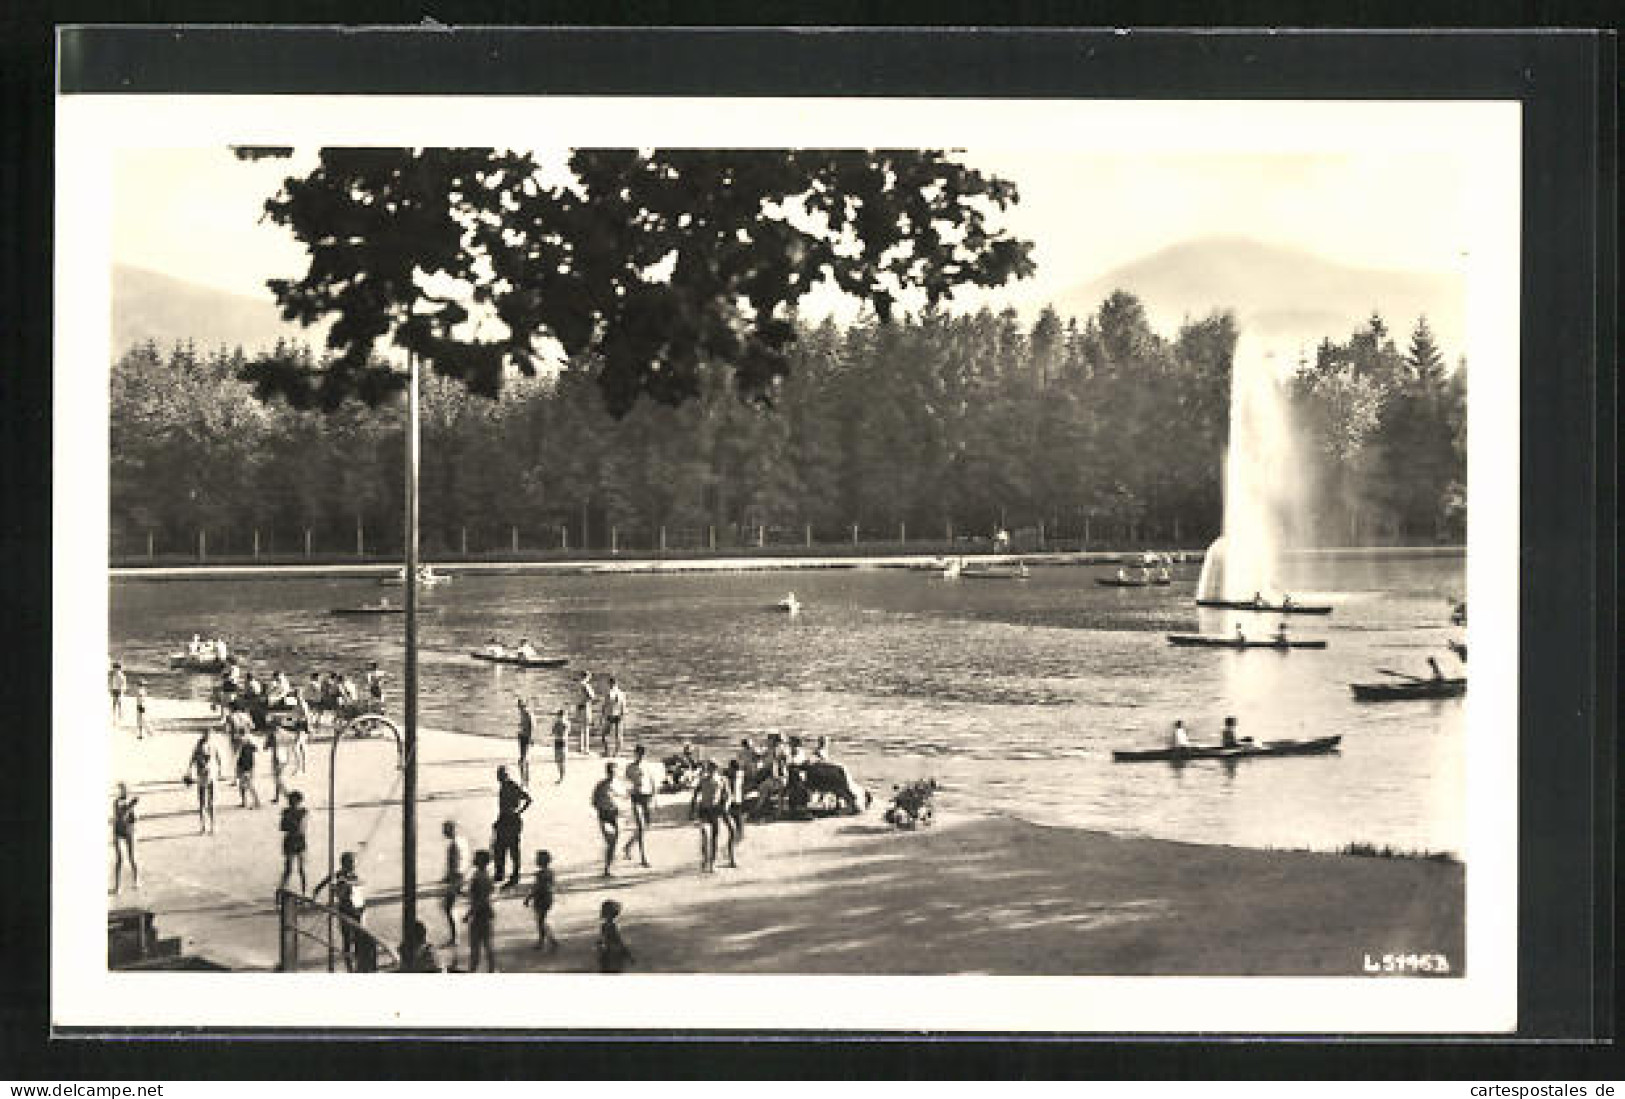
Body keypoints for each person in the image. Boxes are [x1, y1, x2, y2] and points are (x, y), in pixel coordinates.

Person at [315, 851, 367, 972]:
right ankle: (349, 966)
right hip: (345, 910)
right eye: (351, 863)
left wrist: (347, 883)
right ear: (344, 864)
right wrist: (318, 890)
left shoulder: (354, 876)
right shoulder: (339, 875)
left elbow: (360, 882)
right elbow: (327, 881)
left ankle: (357, 964)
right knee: (347, 938)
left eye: (354, 863)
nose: (354, 866)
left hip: (358, 910)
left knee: (359, 938)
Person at [689, 760, 734, 872]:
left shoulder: (722, 780)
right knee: (704, 834)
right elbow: (695, 794)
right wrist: (692, 808)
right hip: (704, 809)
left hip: (715, 810)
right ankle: (705, 859)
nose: (711, 769)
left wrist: (726, 806)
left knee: (714, 837)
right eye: (710, 767)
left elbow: (728, 795)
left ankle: (712, 863)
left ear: (717, 768)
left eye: (713, 767)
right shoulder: (703, 780)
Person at [492, 766, 532, 888]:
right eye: (498, 775)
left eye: (501, 775)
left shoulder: (512, 786)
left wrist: (518, 811)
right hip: (503, 820)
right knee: (499, 848)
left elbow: (528, 799)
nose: (499, 777)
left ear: (506, 775)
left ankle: (515, 875)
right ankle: (500, 873)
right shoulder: (503, 787)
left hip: (512, 822)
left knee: (513, 849)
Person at [621, 745, 654, 868]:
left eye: (643, 753)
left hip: (647, 797)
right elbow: (625, 782)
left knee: (646, 827)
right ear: (635, 754)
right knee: (641, 826)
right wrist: (629, 790)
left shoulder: (648, 766)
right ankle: (643, 858)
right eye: (639, 753)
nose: (641, 755)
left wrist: (654, 798)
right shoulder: (630, 767)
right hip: (636, 797)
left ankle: (628, 846)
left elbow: (652, 781)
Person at [465, 849, 497, 972]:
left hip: (479, 914)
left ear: (481, 861)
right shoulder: (486, 875)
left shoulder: (478, 877)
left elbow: (480, 898)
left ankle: (473, 969)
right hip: (486, 912)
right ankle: (491, 969)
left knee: (476, 945)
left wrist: (469, 914)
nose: (473, 859)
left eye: (476, 857)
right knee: (488, 944)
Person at [522, 850, 559, 953]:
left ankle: (545, 941)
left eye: (537, 858)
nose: (535, 860)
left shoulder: (540, 874)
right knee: (541, 920)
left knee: (540, 921)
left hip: (540, 898)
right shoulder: (550, 872)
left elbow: (536, 888)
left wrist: (528, 898)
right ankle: (548, 940)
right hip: (548, 897)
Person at [186, 732, 222, 834]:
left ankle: (207, 826)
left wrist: (189, 771)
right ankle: (209, 826)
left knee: (206, 803)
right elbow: (218, 759)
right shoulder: (205, 746)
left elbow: (192, 761)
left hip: (206, 777)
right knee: (207, 803)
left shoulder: (203, 747)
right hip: (207, 777)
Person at [590, 762, 622, 878]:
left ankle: (608, 867)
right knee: (611, 840)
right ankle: (607, 868)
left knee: (613, 843)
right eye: (610, 772)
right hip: (604, 816)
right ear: (607, 772)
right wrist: (602, 808)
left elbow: (623, 797)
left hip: (615, 815)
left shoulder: (618, 784)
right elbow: (593, 801)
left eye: (614, 772)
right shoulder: (600, 785)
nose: (612, 774)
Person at [441, 820, 469, 947]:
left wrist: (450, 878)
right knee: (451, 905)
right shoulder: (461, 841)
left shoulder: (453, 845)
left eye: (445, 829)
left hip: (456, 878)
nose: (443, 832)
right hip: (461, 876)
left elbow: (454, 863)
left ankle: (454, 938)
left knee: (448, 907)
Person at [279, 791, 308, 895]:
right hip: (291, 840)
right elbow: (282, 827)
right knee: (289, 869)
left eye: (295, 802)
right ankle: (282, 890)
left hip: (298, 840)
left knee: (301, 869)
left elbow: (301, 827)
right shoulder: (287, 812)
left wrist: (291, 822)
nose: (293, 804)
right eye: (291, 802)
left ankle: (304, 892)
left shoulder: (303, 812)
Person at [111, 783, 139, 893]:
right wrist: (130, 806)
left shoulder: (130, 802)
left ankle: (136, 880)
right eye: (122, 790)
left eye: (125, 790)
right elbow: (120, 817)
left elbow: (134, 819)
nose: (124, 792)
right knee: (119, 859)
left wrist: (132, 811)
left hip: (129, 831)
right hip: (118, 831)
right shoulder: (116, 802)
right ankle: (117, 886)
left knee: (132, 858)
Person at [596, 899, 633, 974]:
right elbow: (619, 942)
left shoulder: (604, 926)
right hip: (613, 956)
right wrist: (628, 955)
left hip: (607, 955)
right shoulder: (611, 926)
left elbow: (603, 941)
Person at [234, 728, 261, 809]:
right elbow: (256, 749)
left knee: (247, 784)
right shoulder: (250, 742)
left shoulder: (241, 741)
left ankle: (255, 801)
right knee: (245, 784)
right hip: (248, 764)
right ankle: (246, 801)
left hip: (244, 765)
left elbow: (238, 754)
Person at [724, 757, 748, 848]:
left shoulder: (736, 775)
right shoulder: (737, 775)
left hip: (736, 800)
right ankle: (737, 838)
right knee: (737, 821)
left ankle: (736, 839)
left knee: (738, 821)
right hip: (735, 800)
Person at [603, 676, 627, 757]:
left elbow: (605, 705)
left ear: (610, 683)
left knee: (605, 734)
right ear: (616, 683)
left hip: (610, 715)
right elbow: (623, 706)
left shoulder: (609, 693)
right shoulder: (621, 693)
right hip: (619, 715)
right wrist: (623, 715)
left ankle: (607, 752)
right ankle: (617, 753)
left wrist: (603, 715)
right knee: (618, 735)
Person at [575, 670, 598, 755]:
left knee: (581, 728)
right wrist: (593, 699)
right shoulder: (585, 685)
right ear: (587, 677)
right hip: (585, 707)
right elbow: (591, 696)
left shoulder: (579, 684)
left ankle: (580, 747)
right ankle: (586, 748)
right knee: (586, 728)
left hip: (580, 707)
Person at [266, 724, 290, 804]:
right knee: (279, 777)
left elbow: (266, 746)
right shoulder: (285, 733)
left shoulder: (272, 735)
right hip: (285, 756)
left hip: (277, 757)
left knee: (278, 779)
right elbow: (291, 743)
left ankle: (288, 795)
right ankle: (277, 797)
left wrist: (268, 740)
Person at [289, 688, 311, 774]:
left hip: (302, 726)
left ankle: (299, 768)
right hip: (298, 725)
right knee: (302, 747)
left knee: (295, 747)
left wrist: (308, 727)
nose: (296, 696)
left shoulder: (302, 704)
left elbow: (307, 716)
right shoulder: (297, 704)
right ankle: (304, 768)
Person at [515, 697, 534, 788]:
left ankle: (525, 780)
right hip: (522, 736)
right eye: (519, 706)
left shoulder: (527, 713)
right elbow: (525, 725)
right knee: (522, 759)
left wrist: (531, 738)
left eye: (520, 705)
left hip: (525, 737)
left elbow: (532, 726)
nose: (519, 707)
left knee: (523, 760)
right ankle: (524, 780)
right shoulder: (523, 713)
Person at [551, 707, 570, 784]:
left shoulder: (565, 723)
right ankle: (561, 776)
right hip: (558, 741)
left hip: (562, 742)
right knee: (557, 760)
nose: (560, 718)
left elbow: (560, 732)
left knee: (561, 760)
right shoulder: (558, 723)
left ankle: (562, 777)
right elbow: (553, 731)